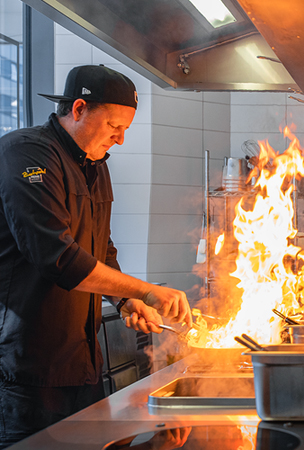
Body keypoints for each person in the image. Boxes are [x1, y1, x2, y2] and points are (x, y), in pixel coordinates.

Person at [0, 65, 192, 449]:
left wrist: (126, 299)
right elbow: (56, 256)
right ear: (79, 108)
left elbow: (100, 247)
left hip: (82, 363)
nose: (120, 140)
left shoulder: (95, 164)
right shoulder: (26, 153)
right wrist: (148, 289)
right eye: (113, 127)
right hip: (27, 370)